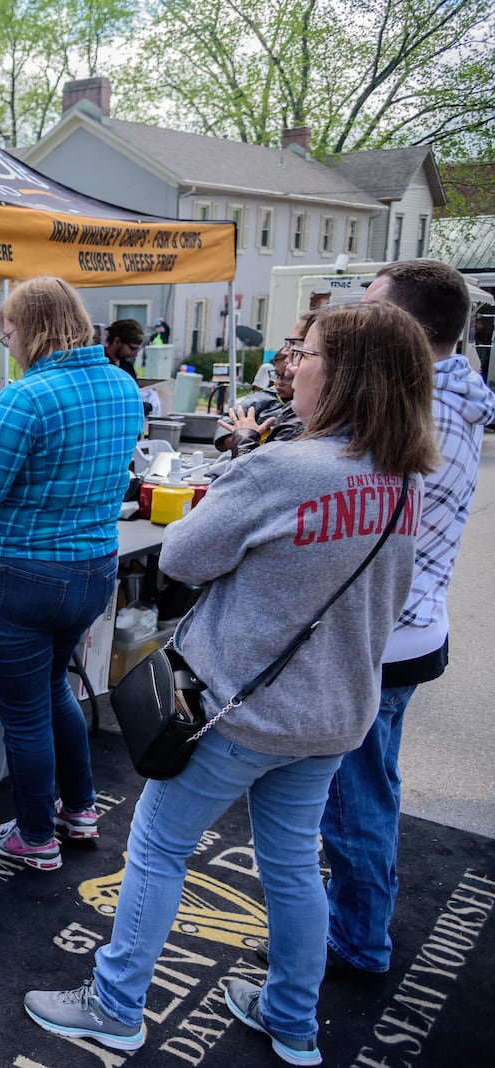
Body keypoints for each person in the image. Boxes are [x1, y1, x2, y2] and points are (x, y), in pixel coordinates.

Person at [23, 300, 440, 1063]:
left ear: (342, 373)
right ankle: (291, 1019)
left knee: (156, 846)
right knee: (290, 862)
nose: (290, 367)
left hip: (238, 711)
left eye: (302, 353)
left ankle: (115, 1004)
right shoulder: (406, 478)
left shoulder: (281, 469)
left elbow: (179, 559)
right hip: (335, 711)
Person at [319, 259, 495, 977]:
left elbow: (371, 522)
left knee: (355, 801)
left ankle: (358, 940)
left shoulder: (431, 413)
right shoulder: (436, 395)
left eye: (372, 311)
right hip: (404, 629)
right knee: (367, 789)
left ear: (411, 330)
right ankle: (355, 925)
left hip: (386, 637)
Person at [0, 277, 143, 871]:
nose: (9, 344)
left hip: (18, 575)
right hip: (92, 571)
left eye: (9, 333)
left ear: (32, 329)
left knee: (24, 711)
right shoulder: (121, 386)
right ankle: (79, 810)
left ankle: (34, 836)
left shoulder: (24, 398)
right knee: (56, 690)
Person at [213, 314, 311, 455]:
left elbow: (258, 468)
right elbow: (228, 420)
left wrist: (246, 438)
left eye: (294, 345)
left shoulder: (308, 415)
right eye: (276, 375)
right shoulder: (264, 398)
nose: (278, 382)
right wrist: (239, 437)